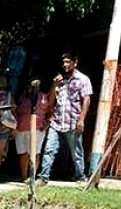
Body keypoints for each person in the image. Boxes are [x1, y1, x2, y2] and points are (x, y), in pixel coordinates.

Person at [38, 53, 93, 184]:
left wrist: (81, 119)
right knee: (49, 149)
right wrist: (54, 84)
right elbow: (51, 102)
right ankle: (43, 177)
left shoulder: (83, 79)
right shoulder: (60, 81)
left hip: (73, 122)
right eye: (64, 62)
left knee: (76, 153)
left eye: (68, 62)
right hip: (57, 121)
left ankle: (80, 177)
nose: (65, 65)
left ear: (75, 62)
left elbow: (86, 100)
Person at [15, 77, 49, 181]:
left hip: (37, 128)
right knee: (23, 153)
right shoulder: (22, 97)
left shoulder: (43, 97)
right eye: (29, 86)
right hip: (21, 128)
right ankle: (24, 176)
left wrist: (47, 123)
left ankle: (32, 176)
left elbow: (51, 110)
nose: (30, 88)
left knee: (34, 152)